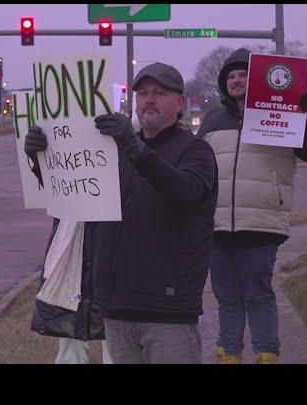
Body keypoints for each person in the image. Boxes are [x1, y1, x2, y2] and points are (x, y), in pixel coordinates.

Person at [197, 48, 307, 364]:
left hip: (261, 222)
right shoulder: (213, 120)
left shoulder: (286, 113)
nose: (236, 80)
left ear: (256, 78)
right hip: (217, 225)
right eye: (230, 76)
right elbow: (198, 167)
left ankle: (266, 353)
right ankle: (228, 353)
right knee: (226, 297)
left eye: (243, 74)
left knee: (258, 295)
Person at [91, 62, 218, 364]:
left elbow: (185, 192)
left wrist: (135, 149)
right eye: (143, 93)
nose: (149, 99)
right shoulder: (117, 153)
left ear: (179, 103)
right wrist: (41, 158)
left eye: (159, 93)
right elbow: (77, 196)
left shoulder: (196, 151)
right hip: (117, 307)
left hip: (168, 311)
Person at [24, 128, 112, 364]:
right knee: (71, 327)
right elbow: (60, 185)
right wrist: (39, 160)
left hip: (114, 248)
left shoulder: (128, 135)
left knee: (116, 336)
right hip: (75, 246)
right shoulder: (68, 133)